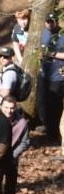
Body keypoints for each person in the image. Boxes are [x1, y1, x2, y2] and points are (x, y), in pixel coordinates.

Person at [0, 95, 30, 194]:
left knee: (11, 185)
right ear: (1, 106)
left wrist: (13, 155)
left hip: (11, 157)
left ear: (15, 107)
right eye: (6, 107)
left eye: (12, 108)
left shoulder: (22, 123)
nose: (9, 111)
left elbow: (25, 142)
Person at [40, 14, 64, 147]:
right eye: (47, 21)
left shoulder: (62, 35)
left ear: (56, 22)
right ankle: (48, 129)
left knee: (55, 106)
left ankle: (55, 134)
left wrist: (53, 54)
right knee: (44, 104)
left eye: (52, 21)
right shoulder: (44, 33)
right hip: (44, 75)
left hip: (58, 77)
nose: (49, 24)